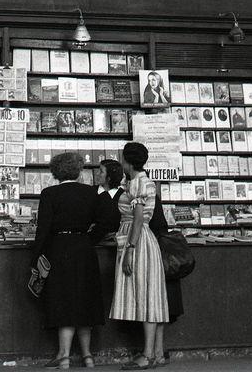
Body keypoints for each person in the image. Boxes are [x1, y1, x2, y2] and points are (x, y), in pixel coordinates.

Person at [32, 152, 111, 369]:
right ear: (78, 170)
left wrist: (35, 257)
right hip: (84, 249)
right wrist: (88, 238)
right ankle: (88, 356)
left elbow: (43, 230)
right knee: (85, 300)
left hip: (59, 249)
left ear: (56, 171)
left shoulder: (49, 193)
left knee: (63, 301)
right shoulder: (92, 193)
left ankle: (64, 356)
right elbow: (107, 221)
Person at [110, 142, 168, 370]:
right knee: (151, 295)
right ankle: (157, 353)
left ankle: (147, 355)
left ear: (128, 161)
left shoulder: (138, 183)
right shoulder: (135, 182)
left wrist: (130, 250)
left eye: (123, 159)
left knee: (145, 296)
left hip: (138, 241)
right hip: (142, 239)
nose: (121, 162)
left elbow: (138, 219)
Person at [148, 197, 184, 367]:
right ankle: (158, 351)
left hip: (153, 256)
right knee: (161, 306)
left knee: (154, 306)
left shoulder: (141, 197)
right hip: (162, 259)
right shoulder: (152, 198)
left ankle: (155, 352)